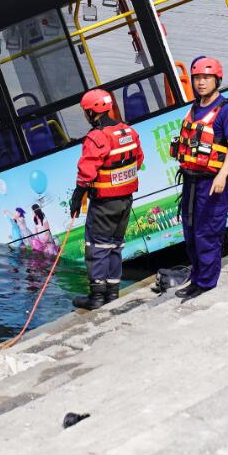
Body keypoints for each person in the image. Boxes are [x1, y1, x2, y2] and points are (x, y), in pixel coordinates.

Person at [169, 56, 228, 300]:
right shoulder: (194, 108)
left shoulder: (227, 110)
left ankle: (206, 282)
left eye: (206, 78)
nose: (201, 83)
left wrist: (222, 175)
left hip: (212, 181)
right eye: (197, 78)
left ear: (217, 80)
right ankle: (197, 278)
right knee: (190, 232)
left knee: (207, 232)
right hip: (191, 180)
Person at [68, 88, 144, 310]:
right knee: (115, 246)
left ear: (91, 113)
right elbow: (138, 160)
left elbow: (87, 172)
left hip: (104, 204)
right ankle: (112, 293)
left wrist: (77, 197)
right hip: (125, 200)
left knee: (97, 247)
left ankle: (98, 298)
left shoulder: (97, 137)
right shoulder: (128, 131)